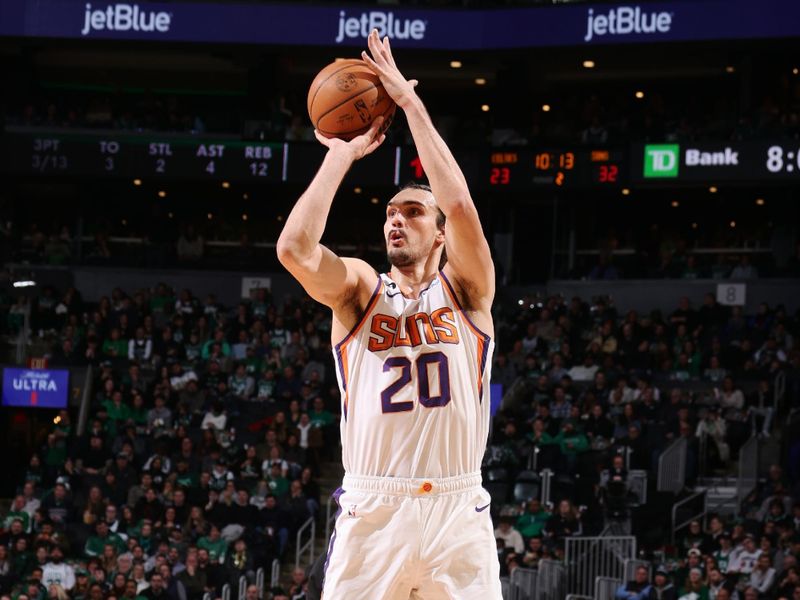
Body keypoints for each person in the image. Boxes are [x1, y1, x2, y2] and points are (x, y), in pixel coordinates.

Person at [277, 30, 499, 599]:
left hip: (457, 510)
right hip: (374, 509)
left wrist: (410, 104)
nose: (396, 219)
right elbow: (294, 250)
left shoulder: (469, 293)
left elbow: (460, 204)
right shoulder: (358, 290)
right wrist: (341, 155)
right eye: (390, 212)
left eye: (413, 211)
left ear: (441, 234)